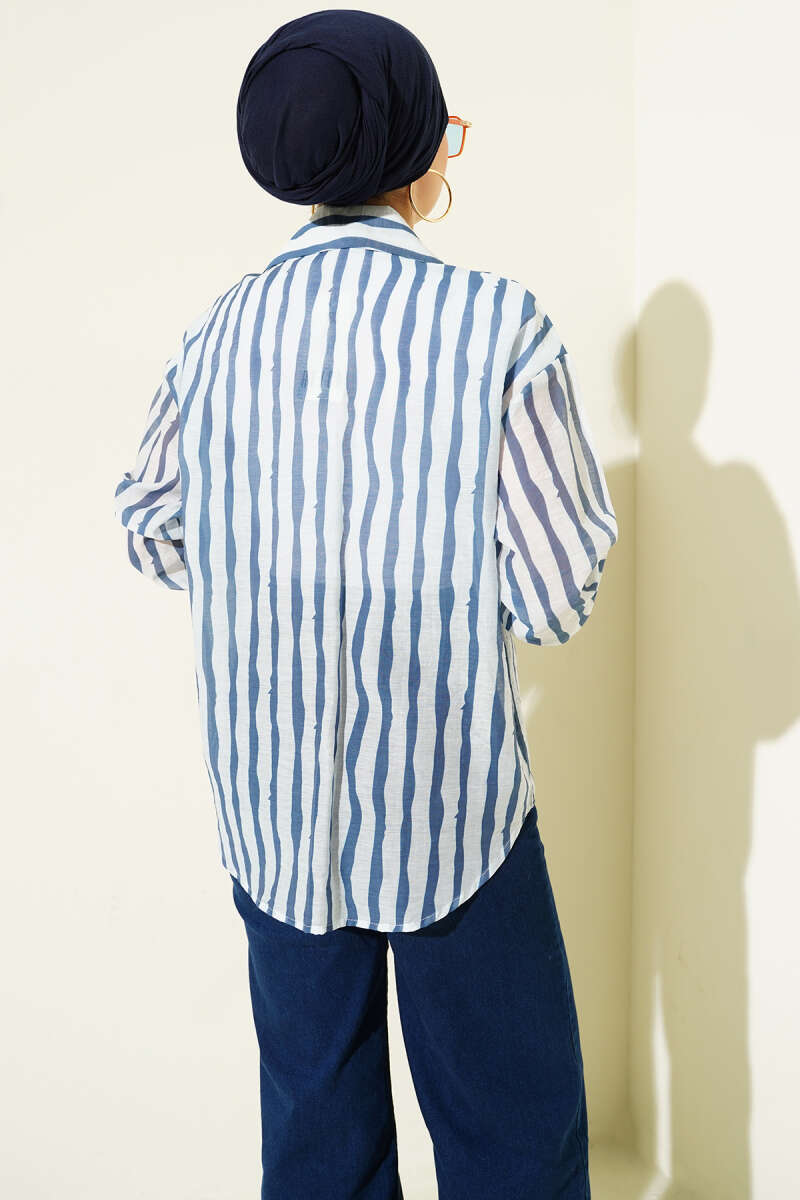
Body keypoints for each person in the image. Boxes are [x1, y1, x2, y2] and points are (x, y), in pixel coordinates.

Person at [113, 9, 619, 1198]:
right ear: (411, 146)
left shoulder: (215, 331)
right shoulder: (498, 325)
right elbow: (556, 595)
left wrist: (263, 574)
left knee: (315, 1149)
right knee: (515, 1142)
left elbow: (148, 524)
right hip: (456, 811)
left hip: (271, 809)